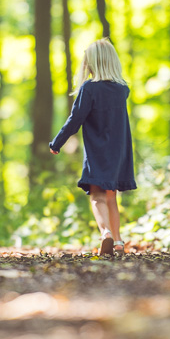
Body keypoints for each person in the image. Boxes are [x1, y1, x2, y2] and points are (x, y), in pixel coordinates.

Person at [50, 38, 136, 257]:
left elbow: (75, 119)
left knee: (96, 197)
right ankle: (118, 242)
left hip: (98, 151)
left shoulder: (89, 88)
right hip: (119, 151)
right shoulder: (121, 89)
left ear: (92, 63)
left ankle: (105, 232)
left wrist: (57, 143)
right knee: (111, 197)